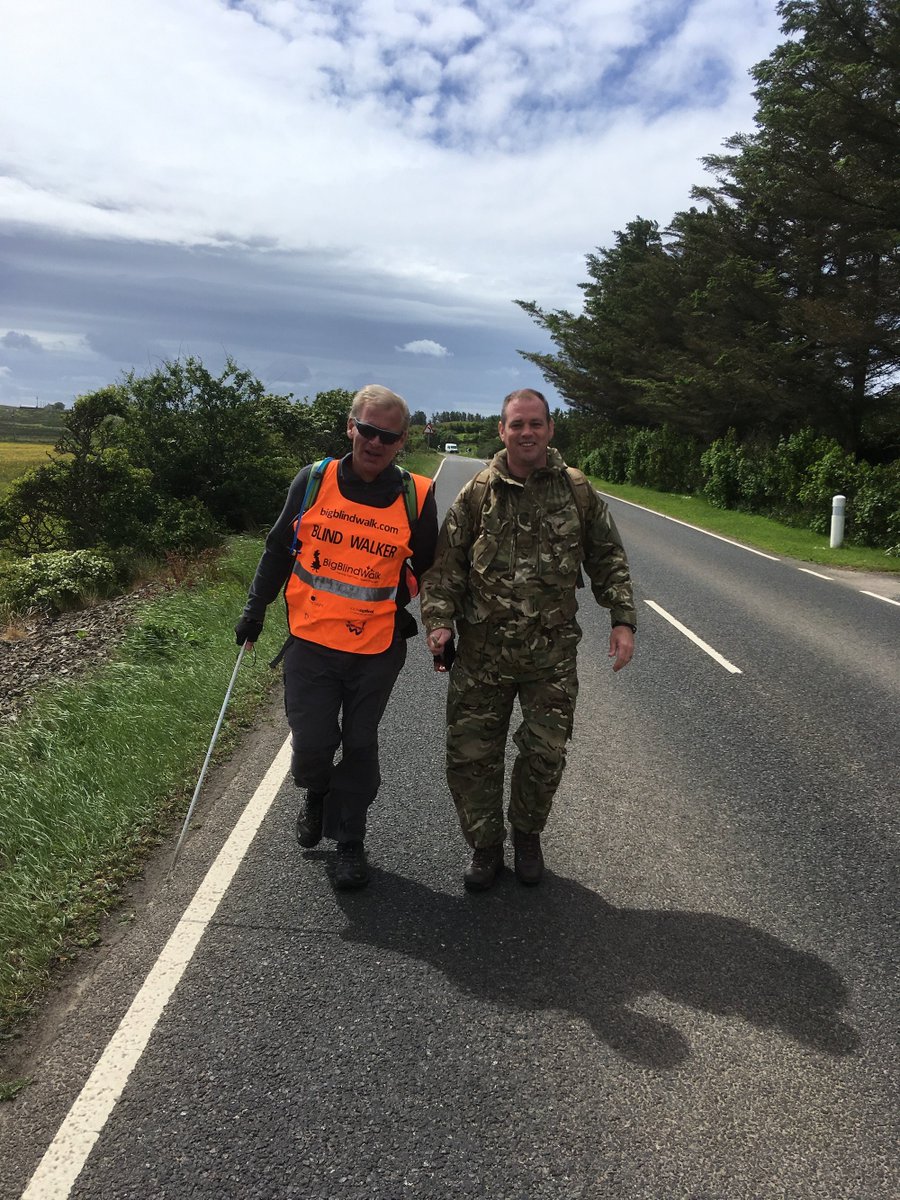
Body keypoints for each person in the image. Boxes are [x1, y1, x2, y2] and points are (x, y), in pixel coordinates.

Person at [420, 388, 636, 891]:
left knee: (545, 755)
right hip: (481, 655)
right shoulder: (477, 492)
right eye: (517, 424)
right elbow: (445, 567)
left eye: (535, 423)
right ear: (502, 430)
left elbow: (607, 557)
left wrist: (622, 618)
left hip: (551, 656)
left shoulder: (577, 491)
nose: (527, 432)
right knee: (472, 756)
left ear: (550, 429)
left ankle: (527, 835)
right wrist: (439, 621)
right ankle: (485, 846)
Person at [235, 385, 438, 890]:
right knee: (312, 746)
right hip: (311, 645)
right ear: (351, 427)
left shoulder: (417, 494)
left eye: (387, 435)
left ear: (402, 440)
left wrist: (441, 626)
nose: (374, 442)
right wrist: (254, 610)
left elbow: (434, 571)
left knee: (361, 744)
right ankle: (316, 792)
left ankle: (350, 841)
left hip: (377, 651)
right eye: (367, 430)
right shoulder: (313, 481)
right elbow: (278, 548)